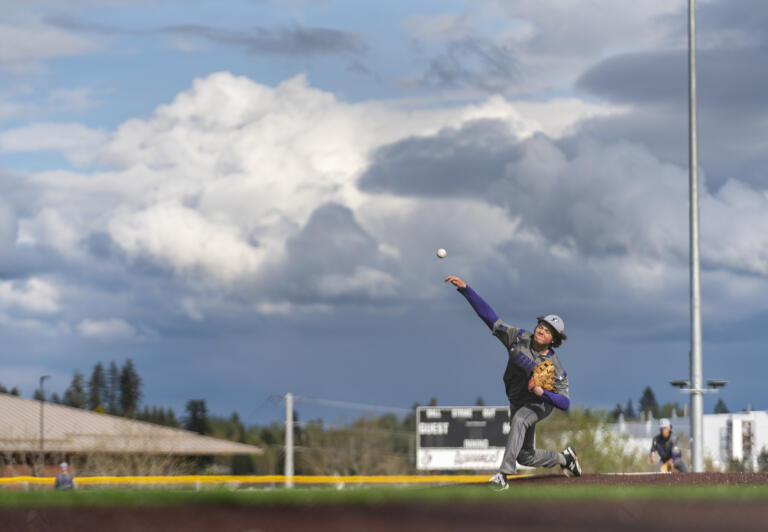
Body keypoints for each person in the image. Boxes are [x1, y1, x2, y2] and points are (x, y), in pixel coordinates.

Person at [445, 275, 581, 489]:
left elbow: (565, 403)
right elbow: (490, 318)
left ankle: (502, 476)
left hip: (539, 403)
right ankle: (565, 459)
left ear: (554, 340)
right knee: (525, 457)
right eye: (542, 325)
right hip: (518, 399)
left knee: (519, 420)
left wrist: (542, 393)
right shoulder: (518, 338)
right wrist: (466, 290)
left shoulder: (555, 367)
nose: (542, 329)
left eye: (548, 330)